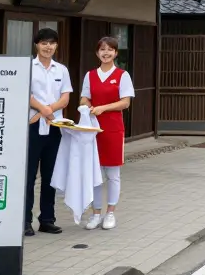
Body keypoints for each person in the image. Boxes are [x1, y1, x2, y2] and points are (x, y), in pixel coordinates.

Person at [80, 36, 133, 231]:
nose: (106, 52)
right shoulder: (90, 75)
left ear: (116, 53)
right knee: (94, 173)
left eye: (110, 49)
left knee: (112, 173)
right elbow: (84, 97)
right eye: (102, 49)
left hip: (112, 128)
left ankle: (110, 213)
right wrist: (88, 106)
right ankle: (95, 213)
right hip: (93, 129)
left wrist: (103, 108)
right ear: (97, 53)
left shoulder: (122, 75)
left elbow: (125, 102)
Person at [26, 27, 72, 237]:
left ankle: (47, 219)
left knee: (50, 175)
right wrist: (42, 109)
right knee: (28, 176)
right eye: (44, 43)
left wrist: (48, 110)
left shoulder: (61, 69)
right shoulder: (28, 66)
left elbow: (65, 97)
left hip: (54, 126)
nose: (48, 47)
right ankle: (25, 221)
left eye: (52, 43)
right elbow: (23, 92)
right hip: (32, 126)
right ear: (37, 44)